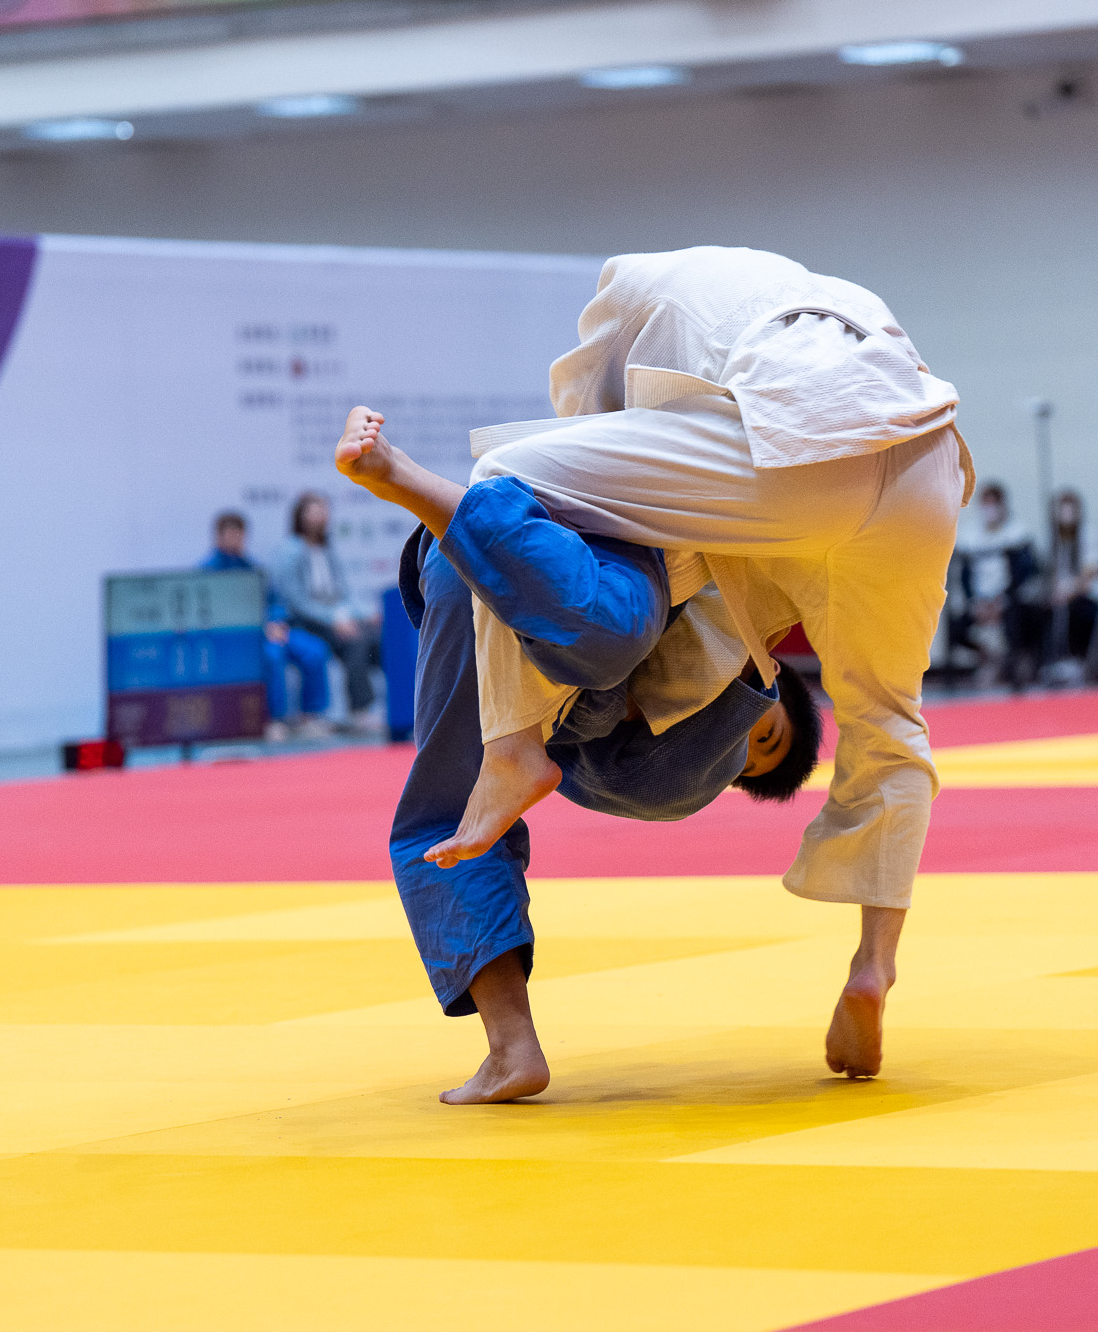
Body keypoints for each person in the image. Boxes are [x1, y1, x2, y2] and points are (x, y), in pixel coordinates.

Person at [338, 244, 971, 1091]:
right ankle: (874, 965)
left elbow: (581, 460)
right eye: (767, 734)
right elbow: (582, 452)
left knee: (513, 493)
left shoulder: (698, 366)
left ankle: (514, 754)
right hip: (926, 452)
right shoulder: (645, 311)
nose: (748, 738)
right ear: (777, 689)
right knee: (890, 720)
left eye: (751, 751)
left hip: (790, 441)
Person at [352, 448, 823, 1102]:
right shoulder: (731, 608)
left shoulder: (656, 759)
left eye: (746, 767)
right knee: (450, 816)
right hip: (530, 554)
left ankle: (511, 1049)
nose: (740, 750)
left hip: (541, 611)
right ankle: (509, 1047)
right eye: (764, 736)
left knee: (457, 816)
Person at [199, 511, 332, 741]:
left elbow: (274, 602)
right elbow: (214, 615)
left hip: (272, 631)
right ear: (218, 537)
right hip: (240, 639)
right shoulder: (207, 573)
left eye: (239, 534)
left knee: (314, 650)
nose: (235, 539)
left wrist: (276, 622)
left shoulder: (253, 569)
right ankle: (274, 720)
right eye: (229, 534)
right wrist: (261, 628)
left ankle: (310, 717)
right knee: (272, 656)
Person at [273, 492, 382, 733]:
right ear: (300, 516)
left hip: (335, 617)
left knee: (377, 639)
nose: (320, 516)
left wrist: (365, 614)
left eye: (323, 511)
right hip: (304, 621)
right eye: (313, 511)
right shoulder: (289, 551)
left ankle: (401, 708)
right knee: (355, 641)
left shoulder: (327, 550)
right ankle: (359, 711)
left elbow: (343, 594)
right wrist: (333, 619)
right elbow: (297, 601)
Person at [949, 481, 1042, 689]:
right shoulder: (970, 536)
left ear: (1002, 505)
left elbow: (1023, 574)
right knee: (955, 628)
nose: (989, 509)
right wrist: (976, 603)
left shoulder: (1017, 533)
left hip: (1008, 601)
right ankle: (989, 658)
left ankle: (1014, 663)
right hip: (980, 602)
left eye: (994, 503)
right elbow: (964, 575)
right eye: (985, 503)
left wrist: (1002, 601)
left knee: (1022, 620)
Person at [1045, 487, 1098, 672]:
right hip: (1066, 594)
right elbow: (1057, 574)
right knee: (1044, 610)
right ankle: (1050, 662)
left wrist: (1071, 591)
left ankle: (1076, 659)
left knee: (1074, 608)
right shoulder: (1058, 540)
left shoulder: (1088, 533)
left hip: (1090, 594)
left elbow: (1091, 570)